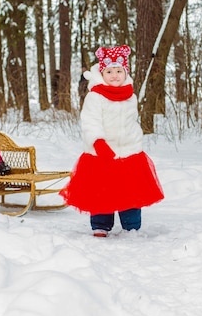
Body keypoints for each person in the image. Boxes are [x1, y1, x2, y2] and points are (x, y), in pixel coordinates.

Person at [60, 45, 164, 237]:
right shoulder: (95, 96)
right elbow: (90, 121)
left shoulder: (130, 96)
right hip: (102, 152)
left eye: (119, 71)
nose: (114, 75)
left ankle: (131, 225)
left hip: (128, 151)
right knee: (102, 189)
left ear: (125, 73)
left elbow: (131, 121)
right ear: (102, 73)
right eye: (109, 71)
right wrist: (97, 142)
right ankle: (101, 224)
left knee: (130, 190)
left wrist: (135, 140)